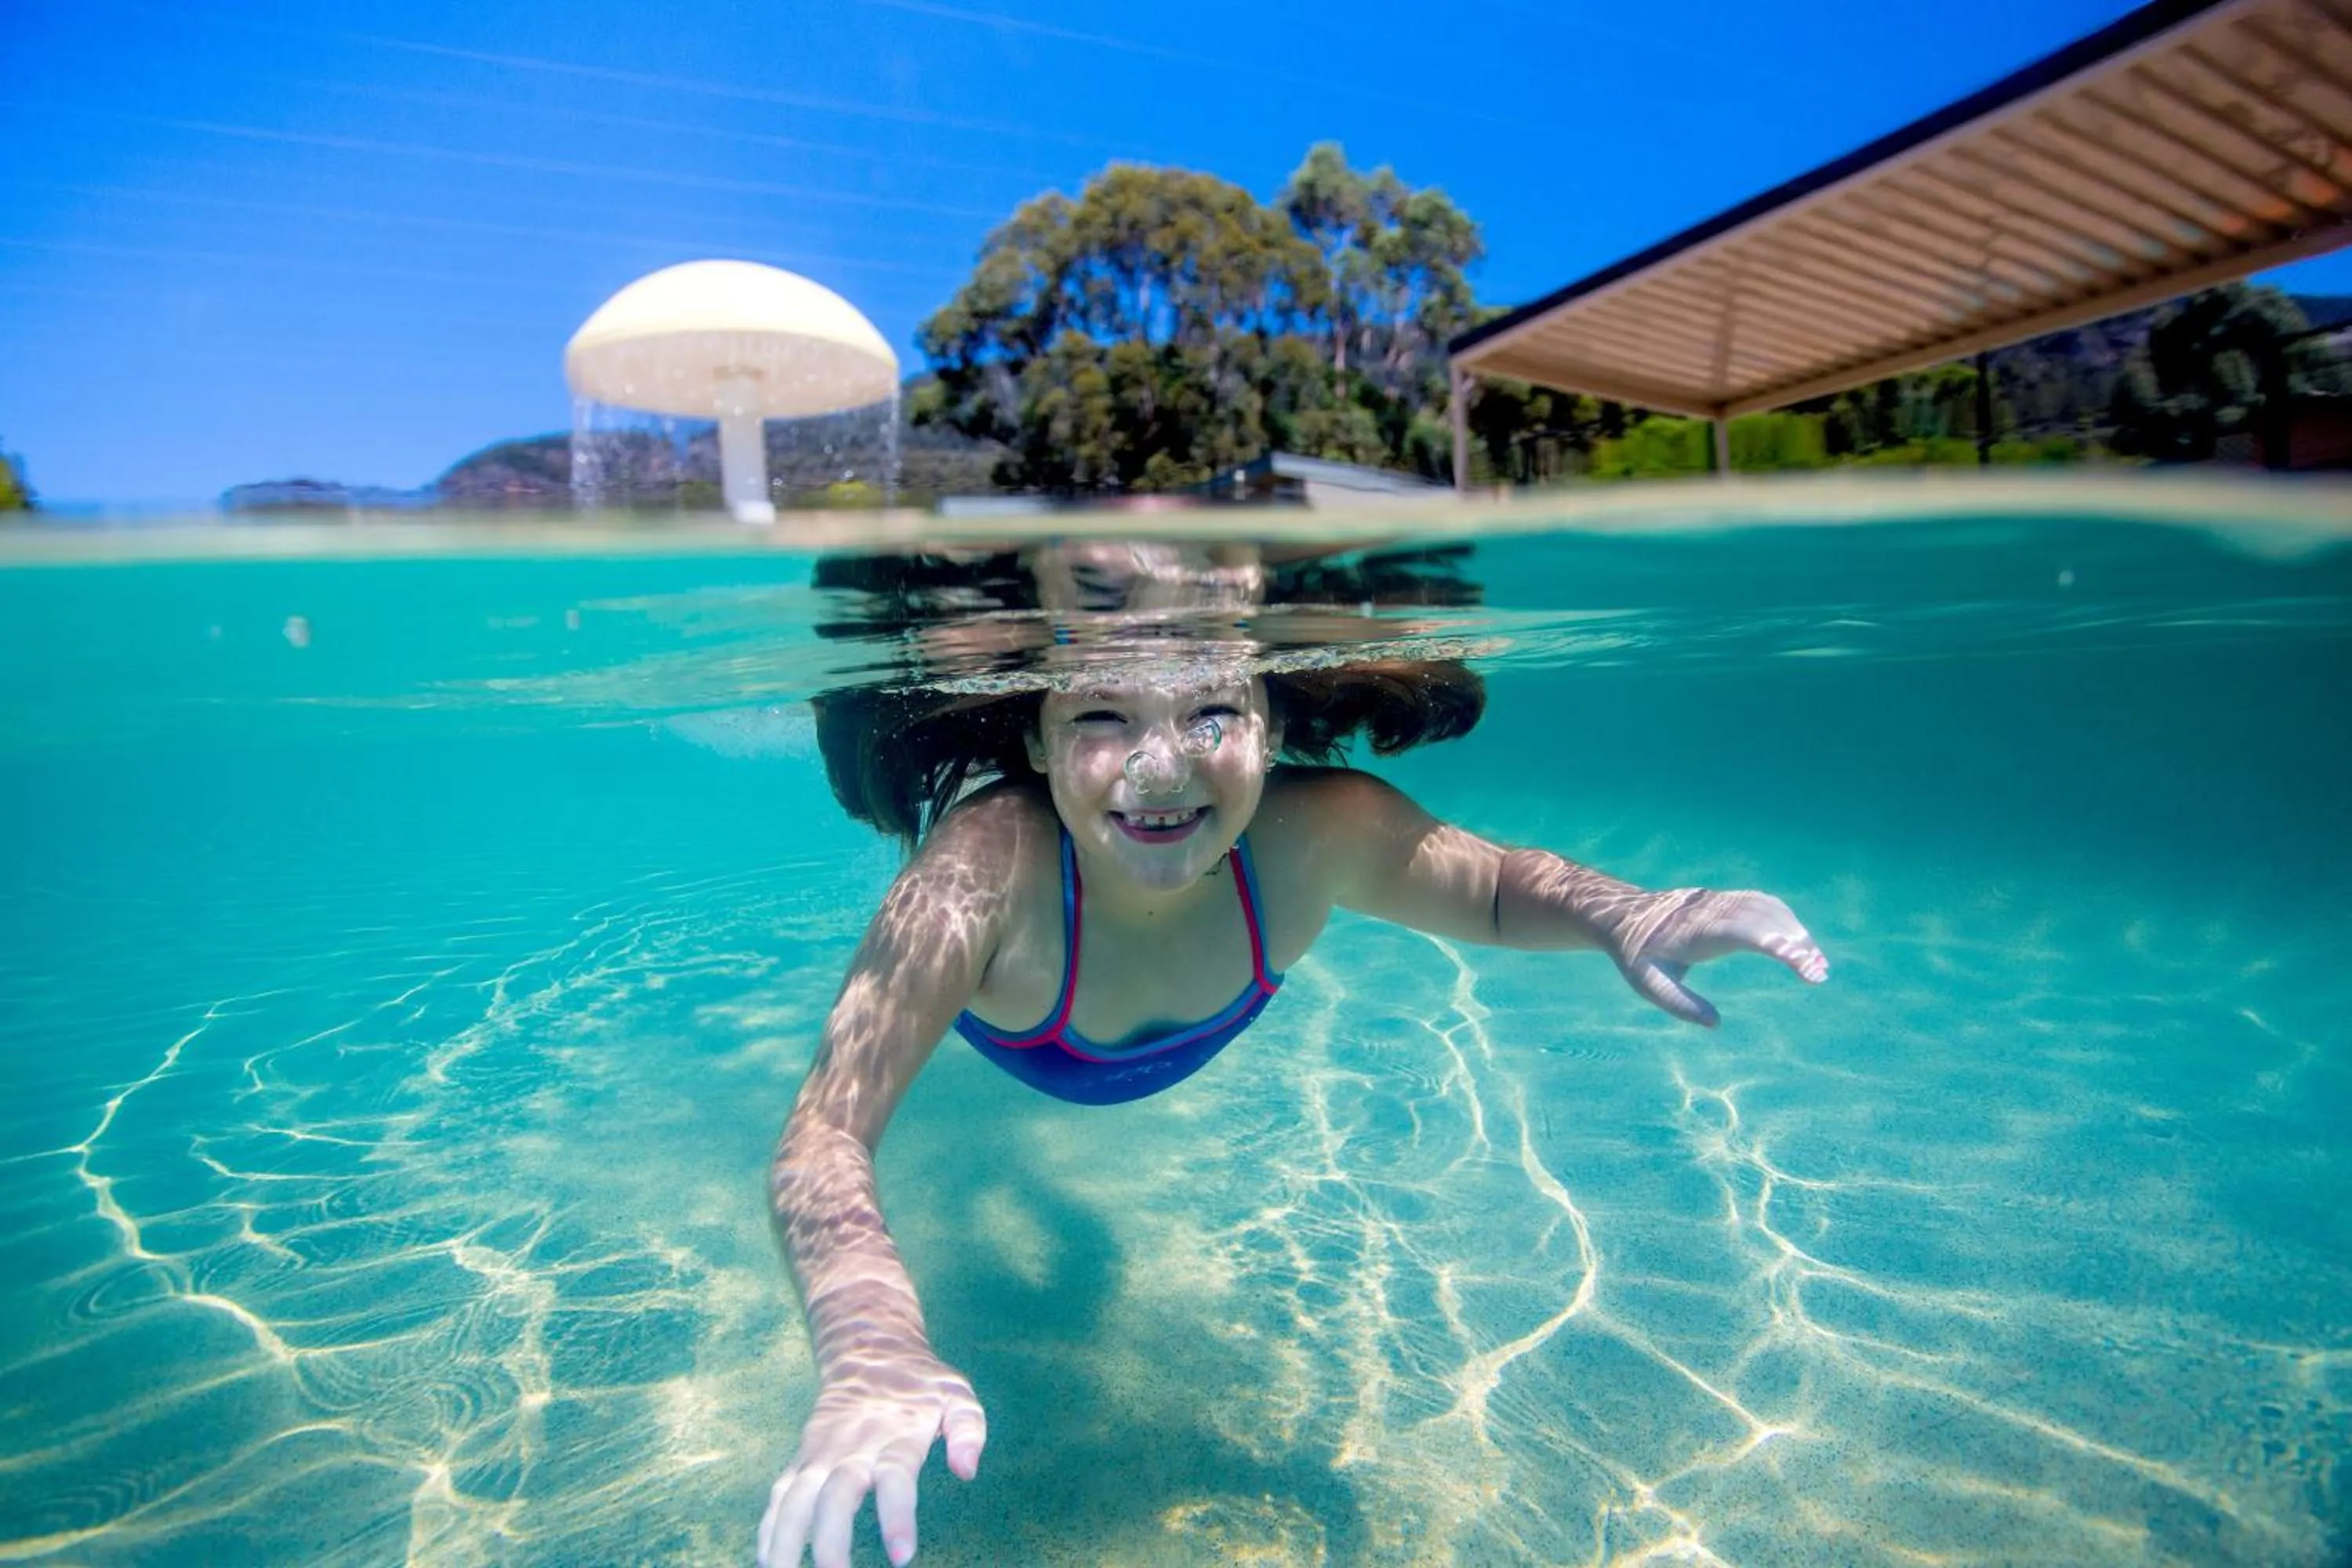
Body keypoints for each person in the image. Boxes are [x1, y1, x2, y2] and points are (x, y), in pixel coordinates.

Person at [757, 547, 1828, 1568]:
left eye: (1214, 709)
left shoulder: (1323, 834)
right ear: (1036, 740)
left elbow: (1497, 887)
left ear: (1273, 720)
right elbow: (824, 1135)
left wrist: (1638, 915)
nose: (1161, 765)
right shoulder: (983, 871)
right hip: (1020, 1029)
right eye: (1099, 714)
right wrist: (872, 1346)